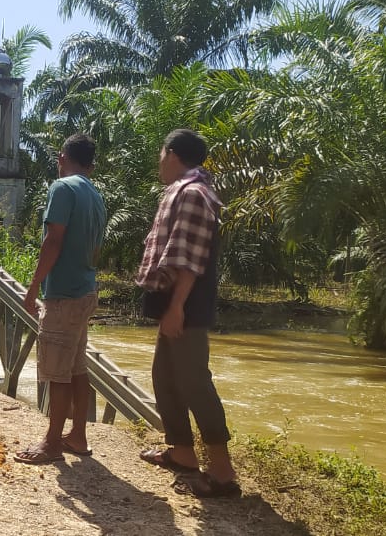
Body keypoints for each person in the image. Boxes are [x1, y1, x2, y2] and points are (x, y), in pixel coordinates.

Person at [136, 129, 240, 498]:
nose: (158, 161)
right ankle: (182, 452)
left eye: (160, 153)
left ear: (172, 153)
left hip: (187, 304)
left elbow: (190, 260)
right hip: (176, 302)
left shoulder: (194, 194)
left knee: (194, 381)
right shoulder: (182, 190)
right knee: (164, 378)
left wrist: (177, 306)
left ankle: (223, 472)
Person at [14, 134, 106, 465]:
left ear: (61, 158)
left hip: (64, 294)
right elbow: (95, 248)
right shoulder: (95, 195)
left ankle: (52, 443)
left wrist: (33, 287)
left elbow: (53, 241)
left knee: (56, 370)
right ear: (91, 165)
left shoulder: (62, 188)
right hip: (86, 289)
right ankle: (77, 436)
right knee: (77, 366)